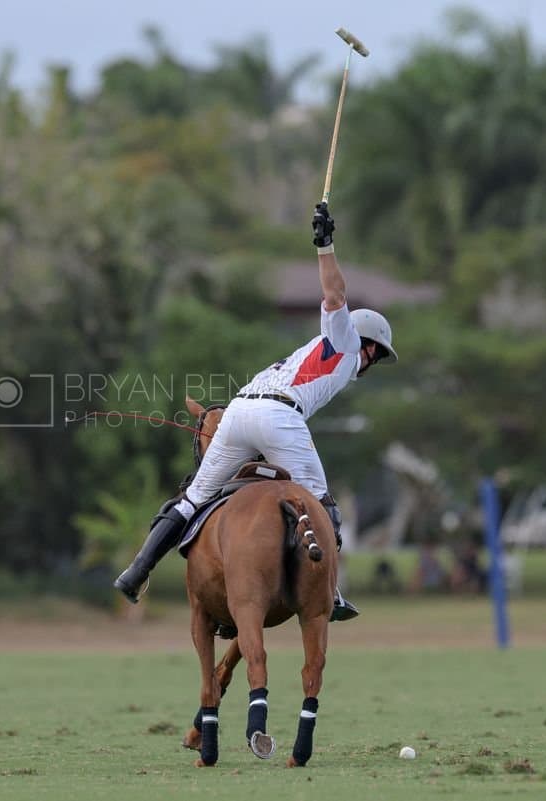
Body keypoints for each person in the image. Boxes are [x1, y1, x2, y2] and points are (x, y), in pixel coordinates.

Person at [113, 201, 398, 622]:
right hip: (279, 417)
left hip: (238, 412)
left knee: (194, 498)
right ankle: (330, 592)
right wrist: (325, 245)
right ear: (370, 345)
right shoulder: (346, 342)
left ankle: (137, 571)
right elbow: (336, 296)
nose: (372, 365)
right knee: (322, 504)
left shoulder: (304, 355)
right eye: (378, 356)